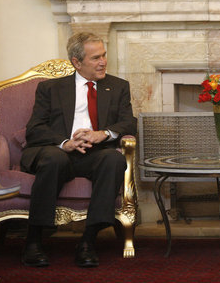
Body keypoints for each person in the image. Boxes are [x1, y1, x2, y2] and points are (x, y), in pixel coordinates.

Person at [20, 32, 137, 268]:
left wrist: (102, 133)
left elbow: (128, 122)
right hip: (57, 152)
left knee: (113, 161)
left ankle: (88, 241)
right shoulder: (50, 88)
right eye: (95, 58)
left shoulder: (117, 87)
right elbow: (34, 129)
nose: (103, 61)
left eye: (103, 55)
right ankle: (33, 241)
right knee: (54, 159)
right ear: (76, 62)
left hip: (93, 154)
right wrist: (65, 142)